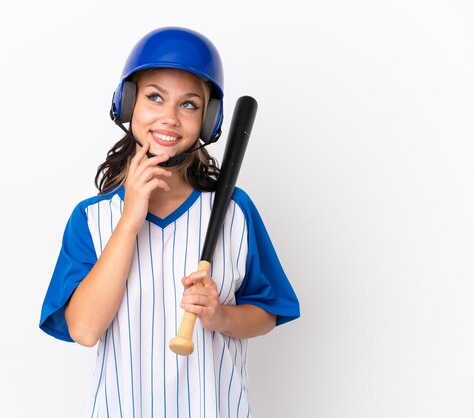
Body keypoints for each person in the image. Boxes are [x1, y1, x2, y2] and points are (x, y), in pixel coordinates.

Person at [39, 26, 300, 418]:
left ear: (208, 120)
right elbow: (85, 330)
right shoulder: (92, 219)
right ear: (129, 103)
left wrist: (221, 315)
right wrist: (130, 219)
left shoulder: (233, 211)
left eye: (189, 105)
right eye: (155, 97)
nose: (169, 118)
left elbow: (267, 312)